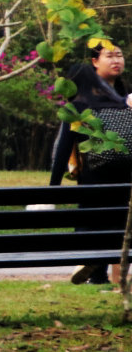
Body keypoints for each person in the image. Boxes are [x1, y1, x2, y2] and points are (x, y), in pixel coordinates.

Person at [49, 41, 129, 283]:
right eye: (109, 56)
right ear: (94, 62)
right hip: (95, 177)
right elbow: (64, 146)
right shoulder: (81, 102)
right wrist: (53, 187)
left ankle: (98, 271)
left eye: (119, 55)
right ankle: (97, 272)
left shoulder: (127, 98)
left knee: (107, 222)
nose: (116, 60)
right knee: (100, 219)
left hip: (122, 177)